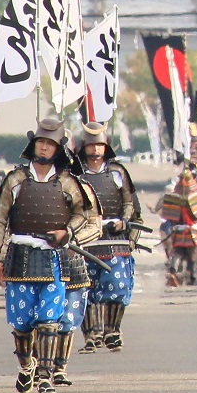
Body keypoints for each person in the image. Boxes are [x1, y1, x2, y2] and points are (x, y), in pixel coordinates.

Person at [0, 117, 97, 393]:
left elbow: (83, 215)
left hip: (54, 258)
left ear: (58, 148)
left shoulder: (68, 183)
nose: (45, 148)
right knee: (22, 323)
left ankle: (47, 376)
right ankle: (27, 366)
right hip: (20, 257)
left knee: (50, 318)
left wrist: (67, 233)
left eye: (50, 143)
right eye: (41, 142)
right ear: (33, 145)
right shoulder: (15, 180)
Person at [76, 126, 141, 352]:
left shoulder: (117, 172)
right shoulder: (74, 174)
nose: (96, 149)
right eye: (91, 144)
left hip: (114, 238)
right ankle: (91, 334)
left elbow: (129, 202)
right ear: (83, 147)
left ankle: (112, 330)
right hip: (84, 241)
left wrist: (124, 220)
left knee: (117, 286)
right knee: (85, 288)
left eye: (100, 144)